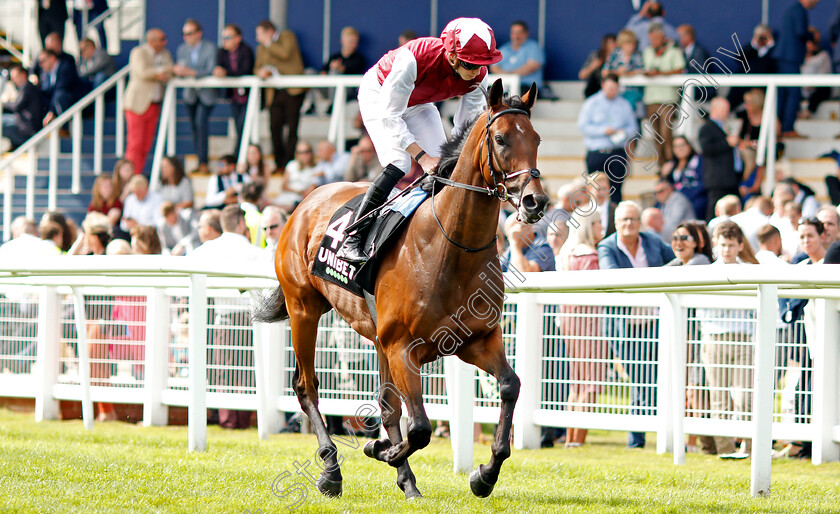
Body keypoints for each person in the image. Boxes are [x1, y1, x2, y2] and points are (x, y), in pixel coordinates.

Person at [335, 17, 503, 264]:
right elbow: (390, 115)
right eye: (471, 64)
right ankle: (353, 238)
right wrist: (422, 158)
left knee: (447, 168)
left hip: (419, 102)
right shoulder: (413, 59)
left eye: (483, 64)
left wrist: (452, 161)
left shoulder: (479, 77)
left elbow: (464, 129)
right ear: (453, 56)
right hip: (379, 95)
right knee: (400, 162)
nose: (477, 72)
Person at [598, 201, 674, 448]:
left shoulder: (652, 241)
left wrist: (661, 275)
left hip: (653, 322)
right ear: (616, 223)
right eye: (624, 220)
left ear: (640, 222)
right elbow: (614, 278)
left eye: (633, 219)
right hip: (624, 326)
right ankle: (637, 438)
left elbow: (676, 262)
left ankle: (640, 437)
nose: (629, 224)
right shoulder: (607, 247)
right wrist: (657, 278)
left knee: (652, 378)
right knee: (641, 378)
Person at [190, 205, 265, 429]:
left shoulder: (208, 249)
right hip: (250, 315)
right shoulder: (254, 252)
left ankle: (228, 419)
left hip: (224, 316)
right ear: (241, 224)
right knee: (246, 370)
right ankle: (241, 420)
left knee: (225, 369)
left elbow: (186, 263)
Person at [699, 221, 756, 456]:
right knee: (719, 396)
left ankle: (752, 449)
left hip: (743, 337)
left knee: (746, 397)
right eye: (723, 245)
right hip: (714, 336)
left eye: (731, 245)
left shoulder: (750, 270)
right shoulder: (708, 272)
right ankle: (725, 450)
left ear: (740, 245)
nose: (726, 250)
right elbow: (703, 307)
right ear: (715, 244)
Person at [558, 210, 606, 447]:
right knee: (590, 381)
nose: (602, 227)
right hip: (587, 320)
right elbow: (592, 293)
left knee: (577, 381)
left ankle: (571, 438)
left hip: (568, 319)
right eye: (597, 223)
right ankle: (578, 441)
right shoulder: (589, 255)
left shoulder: (567, 252)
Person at [254, 20, 306, 172]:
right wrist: (260, 72)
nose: (258, 38)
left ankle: (289, 162)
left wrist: (269, 43)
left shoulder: (287, 36)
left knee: (292, 127)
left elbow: (285, 54)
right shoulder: (261, 48)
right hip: (274, 92)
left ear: (269, 31)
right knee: (274, 127)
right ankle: (279, 163)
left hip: (292, 90)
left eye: (260, 34)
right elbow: (257, 66)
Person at [577, 74, 638, 203]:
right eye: (610, 88)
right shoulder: (591, 103)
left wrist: (622, 132)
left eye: (615, 88)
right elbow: (582, 126)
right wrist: (603, 130)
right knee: (594, 190)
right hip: (596, 152)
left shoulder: (624, 104)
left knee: (616, 190)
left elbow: (633, 128)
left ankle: (614, 219)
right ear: (603, 85)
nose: (612, 91)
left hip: (617, 152)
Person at [124, 29, 173, 174]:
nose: (164, 42)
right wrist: (162, 72)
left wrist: (160, 72)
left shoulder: (165, 55)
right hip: (137, 104)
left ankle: (138, 174)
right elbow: (143, 72)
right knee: (135, 144)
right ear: (152, 41)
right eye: (161, 39)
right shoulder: (138, 52)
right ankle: (130, 178)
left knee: (146, 145)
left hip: (154, 104)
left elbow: (170, 73)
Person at [173, 19, 218, 175]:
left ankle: (204, 161)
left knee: (201, 123)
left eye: (190, 33)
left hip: (206, 94)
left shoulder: (210, 48)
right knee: (194, 127)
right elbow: (180, 69)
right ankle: (200, 160)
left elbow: (211, 69)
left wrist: (191, 72)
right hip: (190, 94)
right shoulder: (181, 49)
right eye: (184, 34)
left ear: (199, 33)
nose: (187, 37)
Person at [641, 23, 685, 168]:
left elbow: (679, 69)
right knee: (657, 134)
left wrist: (660, 74)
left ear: (662, 37)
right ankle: (662, 164)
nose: (653, 41)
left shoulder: (674, 51)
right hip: (651, 98)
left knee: (666, 133)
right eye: (651, 39)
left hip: (667, 98)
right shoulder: (647, 51)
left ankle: (671, 161)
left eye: (655, 38)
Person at [774, 0, 819, 139]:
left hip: (786, 58)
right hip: (790, 59)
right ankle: (787, 129)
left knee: (783, 94)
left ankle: (780, 128)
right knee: (793, 93)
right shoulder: (799, 10)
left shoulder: (793, 9)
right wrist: (812, 36)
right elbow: (801, 32)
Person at [214, 23, 254, 158]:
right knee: (238, 126)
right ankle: (242, 153)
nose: (225, 41)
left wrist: (226, 72)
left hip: (247, 96)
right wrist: (219, 71)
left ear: (237, 38)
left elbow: (245, 70)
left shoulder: (246, 50)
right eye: (223, 37)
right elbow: (219, 66)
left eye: (228, 37)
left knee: (243, 125)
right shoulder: (222, 52)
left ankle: (240, 154)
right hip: (234, 97)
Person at [699, 98, 741, 222]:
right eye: (724, 109)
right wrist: (727, 143)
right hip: (718, 180)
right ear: (714, 109)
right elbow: (706, 149)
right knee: (715, 211)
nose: (727, 112)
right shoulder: (707, 128)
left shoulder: (724, 126)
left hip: (729, 179)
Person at [736, 89, 777, 201]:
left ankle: (752, 187)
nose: (746, 105)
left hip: (764, 154)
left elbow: (776, 138)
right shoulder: (746, 118)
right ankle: (746, 184)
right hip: (749, 154)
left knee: (759, 161)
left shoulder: (769, 117)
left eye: (749, 102)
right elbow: (740, 139)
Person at [490, 20, 546, 97]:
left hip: (527, 87)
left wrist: (510, 76)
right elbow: (493, 67)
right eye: (513, 33)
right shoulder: (504, 48)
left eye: (519, 33)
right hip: (505, 86)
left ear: (526, 33)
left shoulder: (533, 47)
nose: (516, 36)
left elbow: (531, 66)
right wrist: (508, 78)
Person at [601, 30, 644, 117]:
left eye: (632, 44)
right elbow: (605, 72)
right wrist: (617, 72)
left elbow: (641, 71)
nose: (630, 47)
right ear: (621, 44)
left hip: (634, 93)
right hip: (617, 92)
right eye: (627, 44)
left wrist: (627, 73)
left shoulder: (637, 55)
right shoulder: (614, 54)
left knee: (631, 115)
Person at [38, 49, 86, 126]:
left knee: (60, 96)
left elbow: (60, 89)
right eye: (39, 62)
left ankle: (66, 127)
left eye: (43, 61)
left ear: (52, 58)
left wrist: (51, 112)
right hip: (59, 102)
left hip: (76, 101)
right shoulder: (47, 74)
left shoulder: (65, 67)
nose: (41, 64)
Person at [662, 136, 706, 219]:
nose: (680, 149)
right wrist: (665, 175)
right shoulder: (672, 165)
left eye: (682, 145)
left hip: (694, 199)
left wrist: (685, 196)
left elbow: (703, 183)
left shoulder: (698, 161)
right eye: (676, 146)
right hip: (676, 200)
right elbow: (668, 185)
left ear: (689, 146)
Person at [1, 65, 42, 151]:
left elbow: (16, 106)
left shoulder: (28, 88)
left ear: (23, 75)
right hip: (22, 120)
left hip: (27, 127)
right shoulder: (25, 87)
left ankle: (10, 146)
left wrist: (4, 102)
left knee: (2, 126)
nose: (13, 80)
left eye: (15, 77)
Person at [800, 27, 832, 119]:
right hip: (801, 88)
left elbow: (825, 74)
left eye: (813, 42)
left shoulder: (823, 55)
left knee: (824, 89)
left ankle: (808, 111)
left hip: (816, 88)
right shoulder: (798, 56)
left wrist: (813, 84)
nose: (811, 44)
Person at [579, 34, 616, 98]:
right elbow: (581, 75)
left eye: (614, 43)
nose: (612, 46)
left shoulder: (618, 58)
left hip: (612, 89)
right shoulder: (596, 55)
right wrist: (593, 66)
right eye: (609, 43)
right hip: (595, 89)